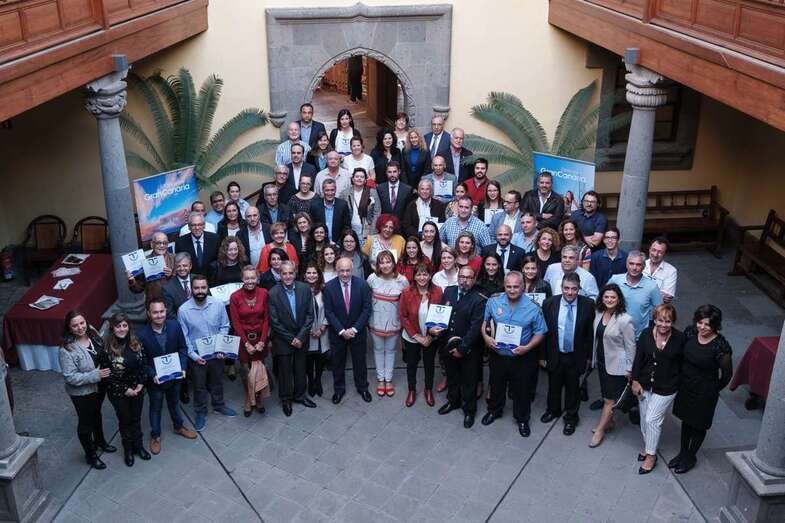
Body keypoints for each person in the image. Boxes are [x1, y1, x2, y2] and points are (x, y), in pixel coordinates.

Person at [480, 271, 547, 437]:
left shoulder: (533, 308)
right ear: (504, 285)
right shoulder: (493, 302)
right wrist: (486, 338)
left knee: (522, 390)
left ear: (523, 287)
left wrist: (528, 347)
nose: (511, 290)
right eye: (508, 286)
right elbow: (484, 323)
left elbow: (540, 332)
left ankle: (522, 419)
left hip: (522, 357)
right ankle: (494, 411)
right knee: (496, 385)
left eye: (516, 287)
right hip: (498, 354)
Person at [670, 305, 732, 474]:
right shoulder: (690, 333)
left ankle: (690, 457)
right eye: (700, 322)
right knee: (686, 420)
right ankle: (682, 453)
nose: (702, 327)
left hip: (705, 391)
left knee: (698, 425)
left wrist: (712, 389)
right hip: (686, 386)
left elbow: (727, 375)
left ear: (715, 325)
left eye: (707, 324)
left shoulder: (720, 347)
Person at [137, 299, 197, 456]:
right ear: (149, 314)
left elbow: (182, 348)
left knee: (174, 403)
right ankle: (155, 436)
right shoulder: (141, 335)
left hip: (175, 376)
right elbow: (142, 361)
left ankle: (179, 426)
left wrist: (183, 367)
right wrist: (152, 374)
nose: (159, 315)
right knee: (155, 408)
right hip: (156, 380)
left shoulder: (174, 326)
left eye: (161, 311)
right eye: (155, 312)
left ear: (165, 311)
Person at [631, 303, 684, 474]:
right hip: (645, 384)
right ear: (654, 319)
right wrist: (635, 380)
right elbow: (638, 358)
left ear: (673, 322)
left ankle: (651, 455)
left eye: (668, 321)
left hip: (667, 387)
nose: (663, 325)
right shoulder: (646, 334)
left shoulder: (680, 338)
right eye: (660, 320)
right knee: (644, 418)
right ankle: (648, 446)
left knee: (652, 420)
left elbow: (683, 364)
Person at [177, 274, 234, 431]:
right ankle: (201, 412)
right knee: (199, 385)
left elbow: (225, 325)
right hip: (197, 355)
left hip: (216, 352)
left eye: (203, 287)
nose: (200, 291)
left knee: (217, 381)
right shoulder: (183, 310)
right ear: (191, 290)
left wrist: (221, 346)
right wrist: (194, 356)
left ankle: (219, 405)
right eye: (197, 288)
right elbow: (184, 337)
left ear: (207, 288)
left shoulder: (218, 304)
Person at [431, 265, 487, 428]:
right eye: (462, 277)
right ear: (458, 278)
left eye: (468, 277)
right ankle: (453, 401)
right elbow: (442, 315)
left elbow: (475, 328)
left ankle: (469, 411)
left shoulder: (479, 299)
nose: (464, 280)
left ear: (474, 280)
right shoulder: (449, 292)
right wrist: (434, 328)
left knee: (469, 381)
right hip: (448, 343)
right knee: (452, 376)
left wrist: (462, 348)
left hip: (468, 348)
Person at [59, 311, 115, 469]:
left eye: (82, 323)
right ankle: (90, 455)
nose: (80, 327)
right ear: (69, 328)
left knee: (96, 414)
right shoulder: (66, 350)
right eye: (75, 325)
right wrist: (95, 375)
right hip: (82, 393)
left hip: (99, 386)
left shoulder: (93, 333)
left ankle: (100, 442)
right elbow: (70, 377)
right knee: (85, 424)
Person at [541, 274, 595, 436]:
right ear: (561, 288)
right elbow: (543, 332)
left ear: (579, 289)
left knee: (573, 388)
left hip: (575, 355)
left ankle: (571, 417)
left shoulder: (588, 305)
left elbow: (589, 334)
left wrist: (589, 357)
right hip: (555, 352)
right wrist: (542, 356)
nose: (570, 292)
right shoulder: (549, 303)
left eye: (574, 289)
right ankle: (553, 410)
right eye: (566, 288)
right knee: (553, 385)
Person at [589, 284, 636, 448]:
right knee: (606, 395)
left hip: (617, 365)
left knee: (609, 399)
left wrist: (629, 368)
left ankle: (600, 430)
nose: (609, 300)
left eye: (613, 297)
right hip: (602, 362)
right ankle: (609, 422)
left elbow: (631, 346)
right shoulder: (599, 313)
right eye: (606, 297)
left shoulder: (625, 320)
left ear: (619, 299)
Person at [100, 313, 150, 466]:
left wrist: (141, 383)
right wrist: (125, 389)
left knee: (136, 419)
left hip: (137, 389)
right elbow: (107, 374)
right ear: (112, 328)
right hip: (118, 392)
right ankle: (128, 450)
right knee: (125, 421)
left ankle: (139, 446)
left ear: (129, 327)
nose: (122, 329)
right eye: (118, 326)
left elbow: (144, 363)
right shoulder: (106, 348)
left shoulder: (136, 342)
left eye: (124, 325)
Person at [268, 260, 316, 416]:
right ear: (279, 275)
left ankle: (300, 395)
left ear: (295, 273)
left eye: (290, 273)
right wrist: (291, 339)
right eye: (284, 273)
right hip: (283, 339)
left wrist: (300, 337)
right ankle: (286, 399)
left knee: (301, 368)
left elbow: (310, 315)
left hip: (301, 338)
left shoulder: (305, 289)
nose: (288, 276)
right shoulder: (273, 293)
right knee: (285, 371)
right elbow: (274, 321)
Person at [323, 257, 373, 404]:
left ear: (352, 270)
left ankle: (363, 387)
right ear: (336, 270)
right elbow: (329, 312)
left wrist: (355, 329)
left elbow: (366, 309)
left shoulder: (363, 285)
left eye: (347, 270)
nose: (345, 274)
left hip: (358, 332)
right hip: (337, 333)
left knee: (360, 361)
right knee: (337, 363)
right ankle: (339, 390)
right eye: (341, 271)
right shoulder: (329, 287)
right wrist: (341, 331)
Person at [229, 266, 271, 417]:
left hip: (260, 338)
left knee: (259, 369)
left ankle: (258, 398)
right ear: (242, 278)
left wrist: (262, 341)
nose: (250, 281)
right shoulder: (235, 297)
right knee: (245, 371)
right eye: (247, 278)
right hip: (243, 339)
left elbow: (266, 319)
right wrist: (246, 343)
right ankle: (248, 397)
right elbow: (235, 323)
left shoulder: (264, 293)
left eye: (253, 278)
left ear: (257, 278)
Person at [366, 250, 409, 397]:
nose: (385, 265)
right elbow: (366, 299)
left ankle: (388, 379)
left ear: (393, 263)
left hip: (394, 323)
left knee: (390, 351)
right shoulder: (372, 278)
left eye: (388, 261)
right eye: (382, 262)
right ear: (378, 264)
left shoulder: (402, 280)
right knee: (378, 350)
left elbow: (406, 302)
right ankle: (380, 379)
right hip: (376, 322)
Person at [400, 263, 442, 407]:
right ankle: (411, 390)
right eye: (419, 274)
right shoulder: (406, 292)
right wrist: (416, 336)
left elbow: (441, 315)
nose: (422, 277)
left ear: (430, 276)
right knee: (411, 364)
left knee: (429, 364)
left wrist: (430, 336)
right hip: (412, 337)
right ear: (414, 276)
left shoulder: (438, 292)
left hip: (430, 337)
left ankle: (428, 389)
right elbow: (403, 316)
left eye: (425, 274)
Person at [608, 251, 663, 339]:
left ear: (643, 267)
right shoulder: (615, 280)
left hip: (638, 338)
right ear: (626, 265)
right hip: (613, 334)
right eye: (631, 264)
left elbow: (660, 311)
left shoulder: (652, 286)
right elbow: (602, 301)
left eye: (638, 265)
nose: (634, 268)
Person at [302, 262, 330, 397]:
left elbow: (329, 311)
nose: (311, 275)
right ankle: (311, 381)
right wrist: (307, 330)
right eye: (309, 273)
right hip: (306, 332)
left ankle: (318, 380)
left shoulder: (325, 290)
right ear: (304, 275)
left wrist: (322, 328)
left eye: (314, 273)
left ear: (319, 275)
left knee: (320, 358)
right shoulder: (300, 290)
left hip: (322, 331)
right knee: (308, 359)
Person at [127, 231, 174, 303]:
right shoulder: (144, 262)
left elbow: (183, 281)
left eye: (165, 243)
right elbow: (138, 289)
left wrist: (171, 275)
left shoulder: (175, 258)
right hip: (154, 304)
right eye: (158, 243)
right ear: (152, 244)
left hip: (173, 301)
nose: (162, 245)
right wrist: (132, 280)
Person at [175, 212, 220, 276]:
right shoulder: (180, 242)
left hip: (212, 278)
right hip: (191, 279)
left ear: (204, 226)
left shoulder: (215, 239)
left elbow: (219, 261)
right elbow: (179, 265)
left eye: (200, 224)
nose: (197, 228)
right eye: (193, 225)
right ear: (189, 227)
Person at [309, 178, 352, 243]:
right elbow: (312, 226)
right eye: (327, 190)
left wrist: (339, 243)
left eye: (332, 190)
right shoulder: (315, 206)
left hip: (338, 244)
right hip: (320, 243)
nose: (330, 193)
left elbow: (347, 227)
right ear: (323, 190)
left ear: (335, 190)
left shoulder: (343, 205)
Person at [344, 167, 380, 242]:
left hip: (368, 231)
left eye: (362, 177)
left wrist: (372, 232)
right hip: (350, 231)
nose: (359, 179)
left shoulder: (372, 192)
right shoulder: (345, 193)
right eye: (357, 176)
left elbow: (377, 212)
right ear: (352, 179)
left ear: (365, 180)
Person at [643, 236, 677, 304]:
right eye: (654, 250)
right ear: (649, 249)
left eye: (660, 252)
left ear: (665, 253)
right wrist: (658, 293)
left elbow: (667, 299)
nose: (655, 254)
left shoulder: (671, 271)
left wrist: (640, 290)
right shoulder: (640, 264)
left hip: (657, 309)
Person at [161, 252, 193, 322]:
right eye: (178, 266)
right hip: (182, 324)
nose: (182, 269)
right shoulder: (167, 288)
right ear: (175, 268)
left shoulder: (199, 279)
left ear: (190, 266)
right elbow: (170, 313)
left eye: (185, 265)